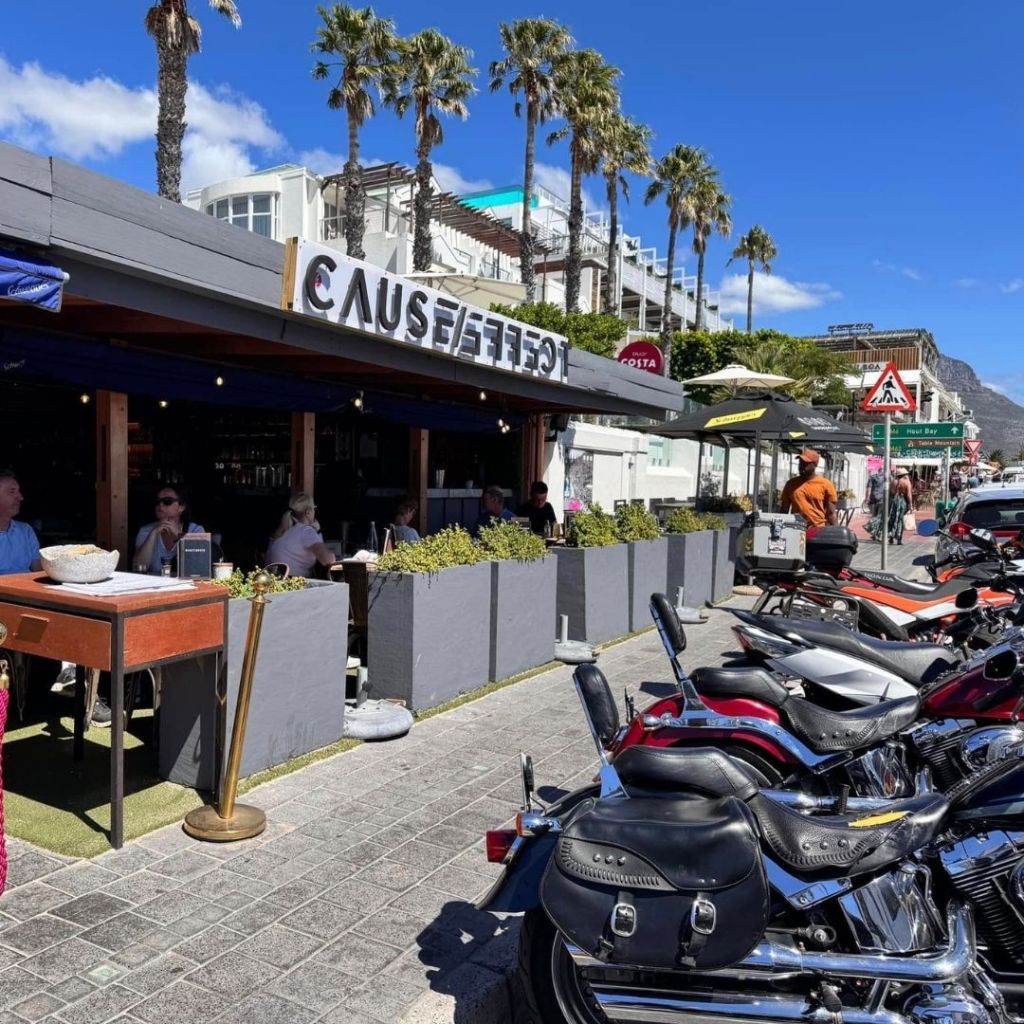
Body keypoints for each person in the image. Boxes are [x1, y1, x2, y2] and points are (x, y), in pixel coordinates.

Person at [134, 485, 205, 575]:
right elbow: (139, 567)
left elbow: (200, 566)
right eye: (157, 502)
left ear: (181, 507)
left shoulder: (196, 530)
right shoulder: (146, 531)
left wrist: (178, 535)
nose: (160, 505)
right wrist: (152, 535)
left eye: (167, 501)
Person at [266, 493, 337, 578]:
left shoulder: (285, 529)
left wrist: (318, 531)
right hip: (293, 583)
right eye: (314, 508)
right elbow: (327, 560)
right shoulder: (306, 531)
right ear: (308, 512)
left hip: (276, 581)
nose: (315, 511)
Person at [779, 449, 837, 527]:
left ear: (814, 465)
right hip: (796, 528)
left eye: (805, 464)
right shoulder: (790, 484)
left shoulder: (826, 484)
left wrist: (836, 534)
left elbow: (831, 513)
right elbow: (784, 510)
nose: (801, 466)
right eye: (800, 463)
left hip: (818, 530)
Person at [0, 469, 41, 575]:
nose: (20, 497)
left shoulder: (25, 531)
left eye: (19, 491)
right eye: (12, 491)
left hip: (24, 589)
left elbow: (38, 570)